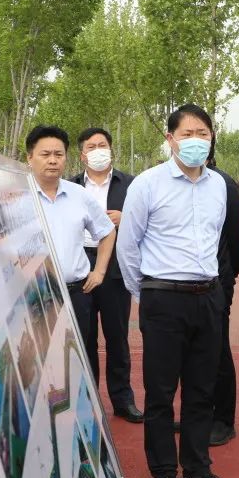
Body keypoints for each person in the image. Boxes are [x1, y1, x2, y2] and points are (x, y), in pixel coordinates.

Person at [116, 103, 238, 478]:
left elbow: (219, 240)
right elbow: (128, 247)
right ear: (170, 139)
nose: (196, 141)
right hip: (163, 299)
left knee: (203, 390)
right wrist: (147, 295)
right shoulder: (147, 184)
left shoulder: (218, 185)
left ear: (212, 139)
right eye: (187, 134)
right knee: (161, 393)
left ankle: (197, 471)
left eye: (203, 134)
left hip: (208, 297)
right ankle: (164, 475)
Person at [72, 127, 142, 424]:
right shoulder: (71, 186)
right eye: (92, 146)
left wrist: (126, 218)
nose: (98, 150)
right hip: (80, 263)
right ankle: (87, 401)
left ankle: (123, 400)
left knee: (117, 336)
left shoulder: (132, 185)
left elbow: (147, 219)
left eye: (103, 145)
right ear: (82, 155)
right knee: (84, 337)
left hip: (115, 265)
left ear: (111, 150)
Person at [26, 125, 116, 356]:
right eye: (45, 154)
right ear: (29, 157)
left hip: (76, 295)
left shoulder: (79, 195)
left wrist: (99, 272)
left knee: (77, 358)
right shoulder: (15, 196)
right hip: (33, 298)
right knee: (37, 360)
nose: (53, 160)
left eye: (59, 154)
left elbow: (107, 231)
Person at [207, 139, 239, 446]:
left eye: (200, 136)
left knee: (217, 349)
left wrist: (228, 273)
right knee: (189, 354)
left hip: (217, 283)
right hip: (182, 286)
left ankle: (223, 419)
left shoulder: (223, 184)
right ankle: (199, 413)